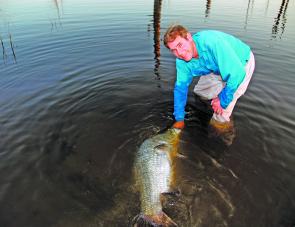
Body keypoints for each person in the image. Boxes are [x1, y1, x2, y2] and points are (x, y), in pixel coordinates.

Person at [163, 25, 255, 143]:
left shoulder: (212, 43)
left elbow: (237, 74)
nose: (179, 52)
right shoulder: (182, 62)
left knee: (220, 117)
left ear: (189, 37)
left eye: (180, 45)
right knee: (201, 94)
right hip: (215, 67)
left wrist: (222, 99)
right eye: (173, 50)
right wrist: (179, 119)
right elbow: (180, 89)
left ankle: (224, 141)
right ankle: (206, 114)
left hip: (240, 64)